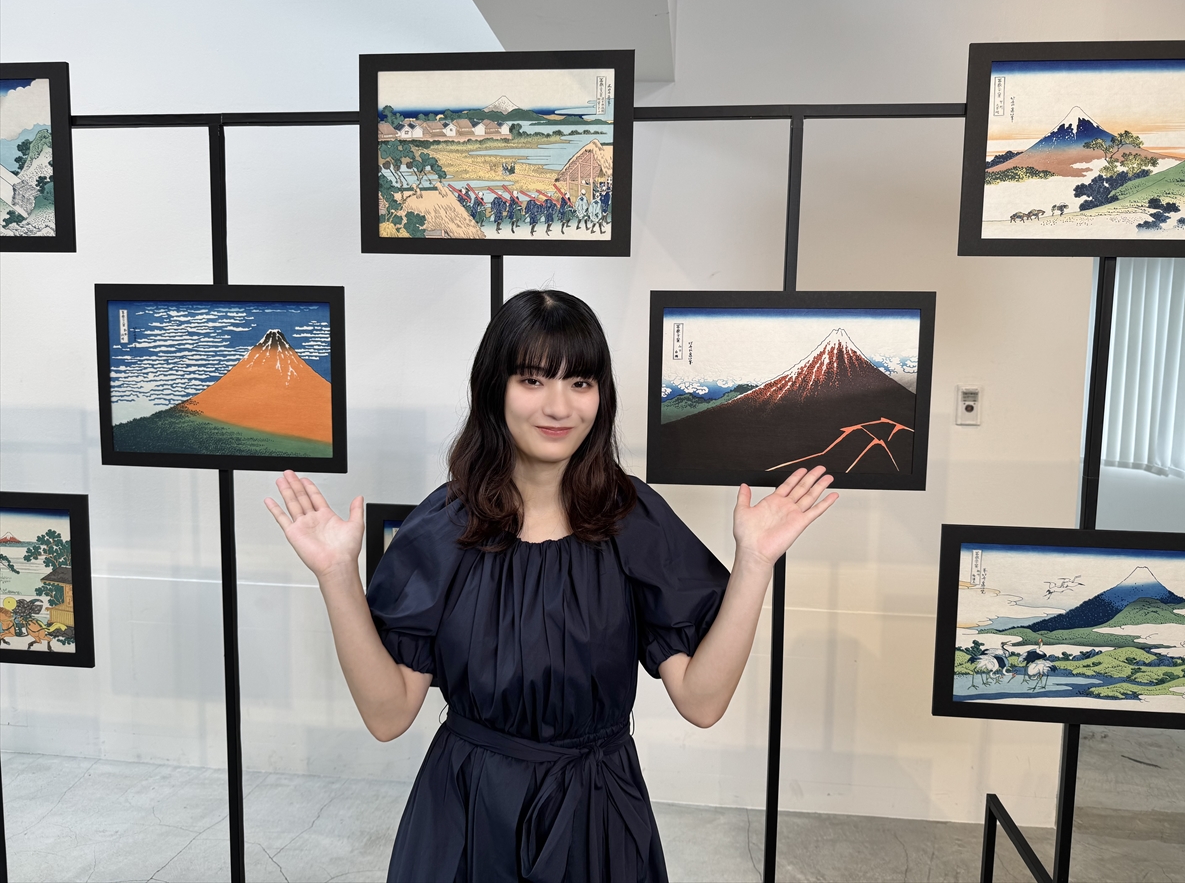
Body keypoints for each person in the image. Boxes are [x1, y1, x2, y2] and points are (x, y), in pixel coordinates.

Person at [264, 290, 837, 882]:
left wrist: (755, 562)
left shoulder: (633, 519)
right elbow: (388, 716)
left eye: (580, 382)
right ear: (495, 388)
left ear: (601, 395)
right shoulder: (442, 526)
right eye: (533, 380)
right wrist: (336, 574)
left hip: (597, 817)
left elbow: (702, 701)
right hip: (469, 817)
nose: (559, 406)